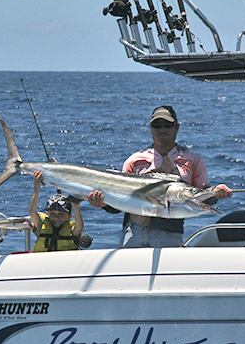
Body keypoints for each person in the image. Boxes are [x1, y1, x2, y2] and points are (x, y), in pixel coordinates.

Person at [87, 105, 233, 248]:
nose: (162, 129)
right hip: (133, 233)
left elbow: (203, 197)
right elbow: (120, 201)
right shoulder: (134, 160)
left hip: (169, 235)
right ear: (151, 128)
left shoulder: (193, 161)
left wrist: (217, 192)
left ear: (177, 127)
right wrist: (103, 203)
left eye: (168, 125)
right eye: (157, 125)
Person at [29, 171, 84, 252]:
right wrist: (37, 189)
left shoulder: (73, 230)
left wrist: (76, 206)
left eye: (61, 214)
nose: (56, 218)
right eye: (53, 214)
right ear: (47, 214)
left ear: (69, 216)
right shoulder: (41, 225)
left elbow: (79, 227)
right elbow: (32, 212)